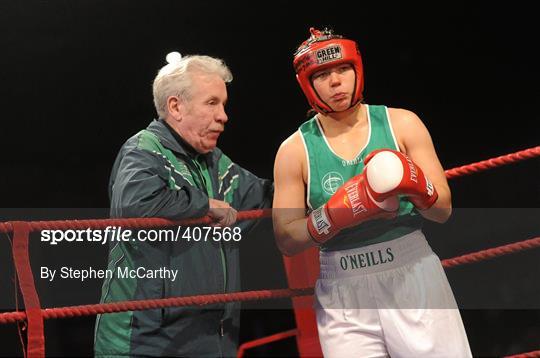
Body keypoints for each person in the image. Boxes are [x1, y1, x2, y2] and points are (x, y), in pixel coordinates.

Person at [273, 28, 472, 357]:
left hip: (413, 270)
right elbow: (286, 238)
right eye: (322, 74)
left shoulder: (402, 124)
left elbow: (444, 210)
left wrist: (418, 189)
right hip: (342, 289)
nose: (336, 81)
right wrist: (332, 216)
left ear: (357, 70)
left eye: (342, 69)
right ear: (307, 84)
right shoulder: (294, 151)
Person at [94, 52, 273, 357]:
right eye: (212, 103)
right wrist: (204, 205)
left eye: (224, 105)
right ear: (175, 106)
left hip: (210, 337)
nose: (224, 116)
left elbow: (269, 196)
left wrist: (312, 167)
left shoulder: (214, 162)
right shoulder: (143, 149)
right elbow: (136, 205)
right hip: (145, 341)